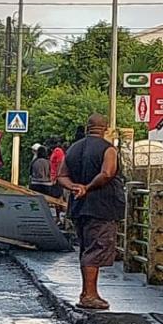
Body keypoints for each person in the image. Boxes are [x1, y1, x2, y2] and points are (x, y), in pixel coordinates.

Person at [57, 114, 125, 311]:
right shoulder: (108, 149)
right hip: (102, 206)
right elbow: (107, 173)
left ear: (87, 127)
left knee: (87, 248)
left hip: (79, 207)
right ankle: (89, 295)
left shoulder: (73, 149)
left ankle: (88, 292)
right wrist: (87, 187)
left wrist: (74, 187)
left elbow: (61, 175)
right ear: (105, 128)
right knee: (97, 248)